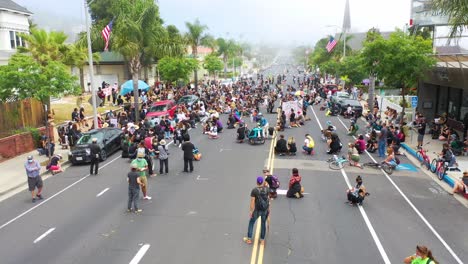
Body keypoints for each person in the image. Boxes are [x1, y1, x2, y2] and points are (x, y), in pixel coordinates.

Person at [243, 176, 269, 245]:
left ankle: (249, 239)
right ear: (262, 182)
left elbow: (252, 201)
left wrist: (251, 211)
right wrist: (269, 210)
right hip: (265, 210)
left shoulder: (254, 190)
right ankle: (262, 240)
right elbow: (268, 200)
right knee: (263, 224)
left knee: (251, 222)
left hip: (257, 210)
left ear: (257, 182)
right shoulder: (267, 189)